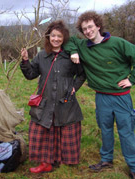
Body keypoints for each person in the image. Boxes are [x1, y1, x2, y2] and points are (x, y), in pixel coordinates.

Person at [64, 11, 135, 178]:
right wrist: (74, 51)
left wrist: (132, 79)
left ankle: (133, 165)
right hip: (101, 96)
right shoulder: (83, 46)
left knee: (126, 131)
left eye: (90, 27)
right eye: (84, 29)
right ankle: (106, 160)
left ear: (98, 25)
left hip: (120, 96)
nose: (88, 31)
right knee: (105, 129)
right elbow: (68, 41)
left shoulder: (117, 43)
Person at [20, 20, 86, 173]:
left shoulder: (70, 56)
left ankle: (63, 161)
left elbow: (82, 74)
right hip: (46, 101)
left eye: (59, 36)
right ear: (48, 37)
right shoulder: (42, 56)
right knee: (43, 130)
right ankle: (46, 163)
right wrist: (25, 61)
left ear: (64, 38)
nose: (56, 39)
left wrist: (74, 87)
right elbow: (30, 74)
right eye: (53, 36)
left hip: (66, 102)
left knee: (65, 127)